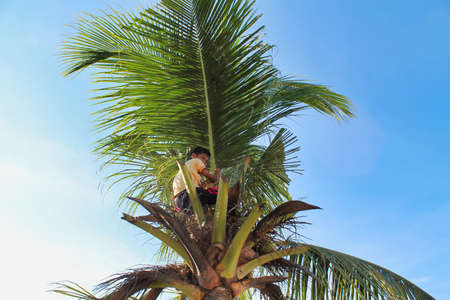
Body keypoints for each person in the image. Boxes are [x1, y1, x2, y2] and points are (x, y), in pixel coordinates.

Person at [173, 147, 221, 214]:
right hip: (188, 195)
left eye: (206, 161)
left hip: (180, 204)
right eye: (203, 158)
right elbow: (214, 179)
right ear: (194, 156)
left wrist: (206, 182)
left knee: (206, 203)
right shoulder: (196, 161)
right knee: (220, 195)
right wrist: (218, 173)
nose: (204, 162)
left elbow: (201, 187)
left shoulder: (189, 170)